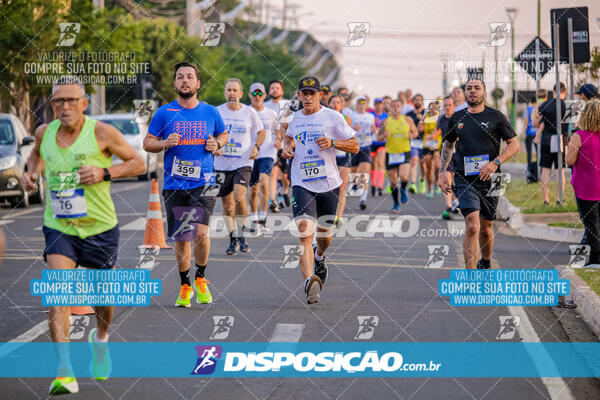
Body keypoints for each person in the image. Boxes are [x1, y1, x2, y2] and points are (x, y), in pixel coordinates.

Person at [22, 75, 146, 394]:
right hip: (60, 226)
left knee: (103, 300)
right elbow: (36, 155)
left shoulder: (101, 133)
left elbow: (138, 163)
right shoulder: (43, 132)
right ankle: (65, 370)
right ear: (51, 105)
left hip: (100, 227)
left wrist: (105, 172)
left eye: (71, 100)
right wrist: (31, 174)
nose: (64, 107)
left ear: (84, 104)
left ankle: (101, 341)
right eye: (58, 101)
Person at [144, 63, 228, 308]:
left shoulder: (211, 112)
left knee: (201, 234)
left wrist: (217, 145)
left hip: (205, 181)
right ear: (175, 83)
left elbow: (223, 135)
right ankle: (185, 284)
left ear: (198, 83)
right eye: (180, 77)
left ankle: (201, 277)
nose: (185, 81)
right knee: (182, 237)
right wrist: (164, 143)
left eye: (190, 77)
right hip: (175, 183)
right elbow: (147, 143)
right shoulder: (164, 113)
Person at [282, 76, 358, 304]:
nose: (307, 97)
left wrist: (334, 143)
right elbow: (288, 137)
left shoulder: (333, 116)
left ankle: (320, 256)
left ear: (320, 95)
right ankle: (309, 282)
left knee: (324, 236)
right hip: (301, 181)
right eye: (303, 93)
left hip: (329, 183)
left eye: (311, 93)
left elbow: (355, 145)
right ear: (299, 95)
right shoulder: (294, 118)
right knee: (304, 230)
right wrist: (287, 147)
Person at [438, 79, 519, 269]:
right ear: (465, 93)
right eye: (469, 89)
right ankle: (471, 276)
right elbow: (448, 145)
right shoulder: (457, 117)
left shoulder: (496, 116)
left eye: (477, 88)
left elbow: (514, 145)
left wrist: (495, 162)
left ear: (484, 93)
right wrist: (442, 171)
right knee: (473, 225)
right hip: (464, 178)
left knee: (486, 227)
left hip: (492, 178)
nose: (473, 91)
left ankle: (486, 262)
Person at [215, 78, 266, 255]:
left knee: (239, 196)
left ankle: (242, 233)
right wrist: (214, 146)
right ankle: (233, 239)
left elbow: (261, 132)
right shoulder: (217, 112)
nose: (232, 93)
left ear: (241, 94)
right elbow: (207, 133)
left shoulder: (249, 112)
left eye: (235, 90)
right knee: (228, 206)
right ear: (224, 92)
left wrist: (256, 147)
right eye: (229, 90)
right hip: (221, 164)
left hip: (243, 162)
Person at [566, 99, 600, 267]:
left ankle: (595, 260)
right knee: (594, 224)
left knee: (591, 224)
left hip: (586, 187)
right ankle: (578, 259)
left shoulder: (579, 136)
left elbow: (570, 161)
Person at [247, 82, 279, 232]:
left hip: (267, 153)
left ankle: (263, 217)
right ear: (249, 96)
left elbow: (278, 130)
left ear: (264, 95)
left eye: (260, 94)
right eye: (254, 94)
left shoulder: (271, 114)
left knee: (264, 180)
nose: (257, 97)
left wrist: (278, 140)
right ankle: (254, 219)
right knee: (253, 189)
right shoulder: (245, 112)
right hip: (250, 154)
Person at [379, 99, 417, 212]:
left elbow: (415, 132)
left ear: (401, 108)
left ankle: (404, 189)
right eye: (393, 106)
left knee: (404, 176)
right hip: (390, 153)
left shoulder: (407, 119)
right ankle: (396, 203)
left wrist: (412, 135)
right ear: (390, 108)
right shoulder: (386, 121)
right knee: (393, 181)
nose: (395, 108)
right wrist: (383, 134)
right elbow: (378, 137)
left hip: (404, 152)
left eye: (398, 106)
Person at [535, 83, 567, 206]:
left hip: (546, 139)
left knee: (545, 170)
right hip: (560, 139)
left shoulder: (544, 105)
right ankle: (559, 200)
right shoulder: (566, 105)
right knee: (560, 171)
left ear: (553, 92)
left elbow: (535, 123)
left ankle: (546, 200)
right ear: (565, 91)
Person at [265, 79, 291, 211]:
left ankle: (283, 193)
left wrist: (286, 142)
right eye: (272, 88)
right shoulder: (265, 106)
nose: (274, 90)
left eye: (277, 88)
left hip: (284, 145)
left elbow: (288, 126)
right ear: (269, 91)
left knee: (286, 178)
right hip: (270, 146)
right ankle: (273, 200)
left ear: (282, 91)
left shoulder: (287, 105)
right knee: (273, 173)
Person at [350, 96, 377, 210]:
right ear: (356, 105)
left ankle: (363, 199)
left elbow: (374, 128)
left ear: (366, 106)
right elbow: (346, 129)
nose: (361, 106)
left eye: (363, 104)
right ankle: (355, 185)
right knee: (353, 172)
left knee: (364, 173)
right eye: (359, 104)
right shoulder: (352, 115)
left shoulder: (370, 116)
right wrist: (353, 128)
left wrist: (374, 130)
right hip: (354, 147)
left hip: (366, 147)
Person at [329, 95, 352, 227]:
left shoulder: (346, 118)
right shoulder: (324, 117)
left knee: (342, 188)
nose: (336, 104)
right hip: (329, 156)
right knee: (330, 187)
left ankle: (339, 216)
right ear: (329, 104)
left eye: (338, 102)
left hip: (343, 155)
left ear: (341, 105)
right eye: (333, 102)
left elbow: (349, 136)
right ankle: (329, 214)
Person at [437, 95, 460, 220]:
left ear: (454, 106)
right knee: (447, 178)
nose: (447, 107)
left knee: (456, 181)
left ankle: (455, 202)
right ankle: (449, 206)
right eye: (445, 105)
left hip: (459, 153)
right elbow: (438, 135)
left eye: (449, 105)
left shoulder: (459, 119)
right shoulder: (441, 120)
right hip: (446, 154)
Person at [406, 94, 426, 193]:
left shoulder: (426, 113)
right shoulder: (409, 114)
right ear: (413, 101)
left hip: (425, 141)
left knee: (424, 164)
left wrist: (421, 119)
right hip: (413, 141)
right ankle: (413, 183)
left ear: (422, 101)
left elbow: (426, 128)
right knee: (414, 161)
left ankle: (422, 180)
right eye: (416, 100)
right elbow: (407, 128)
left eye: (419, 100)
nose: (417, 101)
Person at [421, 100, 441, 197]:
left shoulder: (440, 118)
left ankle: (436, 182)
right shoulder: (426, 118)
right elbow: (420, 129)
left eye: (435, 108)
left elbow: (441, 129)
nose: (433, 110)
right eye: (431, 108)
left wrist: (434, 135)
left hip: (436, 146)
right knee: (429, 168)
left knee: (437, 167)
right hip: (427, 145)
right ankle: (430, 188)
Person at [369, 98, 388, 196]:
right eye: (376, 104)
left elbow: (388, 128)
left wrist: (383, 127)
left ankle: (380, 187)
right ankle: (373, 185)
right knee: (373, 164)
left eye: (380, 104)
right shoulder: (370, 116)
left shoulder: (386, 116)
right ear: (374, 105)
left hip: (382, 143)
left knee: (380, 163)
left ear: (383, 105)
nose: (378, 105)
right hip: (372, 143)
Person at [523, 95, 539, 183]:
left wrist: (524, 131)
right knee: (538, 153)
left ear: (530, 100)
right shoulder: (538, 108)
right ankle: (537, 172)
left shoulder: (527, 109)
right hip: (537, 133)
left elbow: (526, 121)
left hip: (529, 133)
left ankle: (529, 173)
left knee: (529, 154)